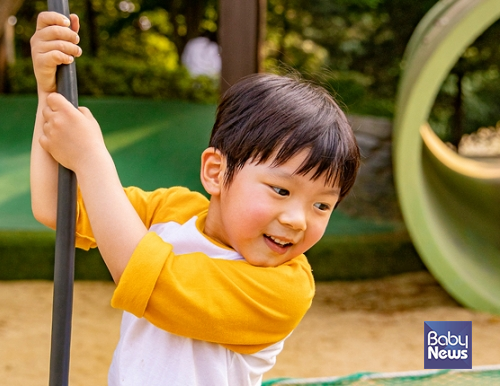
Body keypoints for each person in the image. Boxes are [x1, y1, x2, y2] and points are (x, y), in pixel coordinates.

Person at [30, 11, 361, 386]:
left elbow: (146, 278)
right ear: (216, 172)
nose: (297, 220)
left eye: (322, 205)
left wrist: (90, 158)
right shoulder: (171, 210)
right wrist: (49, 91)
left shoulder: (284, 290)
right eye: (281, 191)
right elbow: (56, 206)